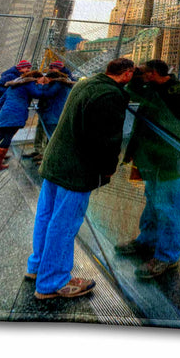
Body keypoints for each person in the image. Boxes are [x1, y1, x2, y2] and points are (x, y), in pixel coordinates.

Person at [26, 58, 135, 300]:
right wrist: (108, 168)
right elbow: (106, 139)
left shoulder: (84, 84)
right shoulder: (110, 96)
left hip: (55, 160)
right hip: (76, 169)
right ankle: (51, 282)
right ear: (127, 74)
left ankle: (36, 267)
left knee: (46, 215)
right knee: (64, 223)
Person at [116, 59, 180, 279]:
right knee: (153, 200)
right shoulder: (154, 87)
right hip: (151, 157)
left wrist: (148, 82)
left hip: (170, 160)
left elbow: (166, 116)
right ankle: (147, 241)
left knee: (169, 207)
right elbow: (132, 91)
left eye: (147, 73)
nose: (144, 77)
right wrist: (139, 75)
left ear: (158, 73)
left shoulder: (177, 93)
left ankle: (167, 256)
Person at [0, 69, 50, 173]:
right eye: (39, 81)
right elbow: (38, 94)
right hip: (16, 115)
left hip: (4, 114)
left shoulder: (14, 84)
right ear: (36, 78)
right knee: (7, 138)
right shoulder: (29, 83)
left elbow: (2, 99)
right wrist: (40, 87)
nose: (39, 83)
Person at [22, 62, 75, 163]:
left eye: (52, 68)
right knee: (45, 132)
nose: (49, 70)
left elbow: (47, 93)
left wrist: (36, 86)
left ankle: (49, 157)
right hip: (49, 112)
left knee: (51, 136)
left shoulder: (59, 83)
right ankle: (41, 152)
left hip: (53, 113)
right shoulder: (61, 82)